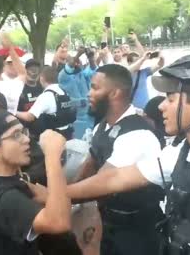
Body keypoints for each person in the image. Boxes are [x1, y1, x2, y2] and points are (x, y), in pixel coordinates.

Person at [30, 54, 190, 254]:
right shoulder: (182, 153)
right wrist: (57, 194)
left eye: (171, 98)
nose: (161, 106)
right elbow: (115, 179)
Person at [64, 64, 166, 255]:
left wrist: (56, 197)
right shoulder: (102, 126)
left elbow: (103, 183)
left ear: (114, 93)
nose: (88, 93)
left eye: (94, 87)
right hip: (110, 224)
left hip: (138, 233)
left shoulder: (137, 134)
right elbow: (89, 167)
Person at [0, 111, 71, 255]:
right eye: (16, 135)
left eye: (24, 132)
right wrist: (53, 157)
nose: (26, 139)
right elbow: (58, 222)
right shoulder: (1, 195)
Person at [17, 66, 76, 140]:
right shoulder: (64, 92)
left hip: (53, 138)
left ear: (41, 78)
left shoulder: (46, 96)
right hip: (67, 134)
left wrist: (14, 112)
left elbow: (29, 117)